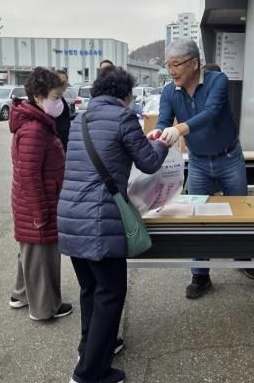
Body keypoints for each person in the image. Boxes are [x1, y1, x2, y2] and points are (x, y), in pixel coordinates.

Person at [58, 66, 168, 383]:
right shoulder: (123, 117)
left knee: (91, 288)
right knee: (110, 292)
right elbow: (149, 162)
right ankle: (89, 374)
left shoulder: (80, 120)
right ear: (125, 95)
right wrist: (164, 142)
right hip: (99, 221)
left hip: (70, 216)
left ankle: (90, 348)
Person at [147, 38, 254, 299]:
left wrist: (179, 129)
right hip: (198, 161)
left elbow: (210, 113)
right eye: (168, 65)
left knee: (240, 212)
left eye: (176, 64)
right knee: (197, 216)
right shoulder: (169, 92)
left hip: (229, 157)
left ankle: (243, 256)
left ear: (194, 63)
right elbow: (164, 121)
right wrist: (157, 133)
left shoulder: (217, 81)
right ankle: (200, 274)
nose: (171, 71)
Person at [8, 67, 72, 321]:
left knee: (31, 252)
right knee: (42, 255)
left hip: (35, 200)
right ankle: (44, 309)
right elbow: (28, 175)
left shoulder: (37, 122)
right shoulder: (35, 129)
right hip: (38, 202)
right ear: (38, 97)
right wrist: (40, 213)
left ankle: (21, 294)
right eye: (56, 97)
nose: (59, 103)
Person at [55, 69, 71, 156]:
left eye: (65, 81)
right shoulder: (52, 99)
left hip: (64, 141)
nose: (63, 84)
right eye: (60, 81)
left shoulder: (61, 98)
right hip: (57, 142)